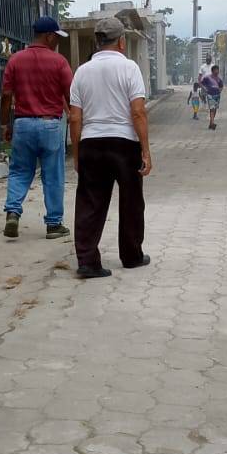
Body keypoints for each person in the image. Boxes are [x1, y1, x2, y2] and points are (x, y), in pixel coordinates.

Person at [68, 16, 152, 279]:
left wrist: (77, 153)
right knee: (131, 202)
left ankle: (87, 262)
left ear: (97, 41)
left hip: (91, 143)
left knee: (90, 203)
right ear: (122, 42)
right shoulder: (130, 68)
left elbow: (75, 117)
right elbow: (138, 112)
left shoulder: (81, 72)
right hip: (124, 144)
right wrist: (146, 151)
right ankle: (132, 256)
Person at [0, 16, 74, 240]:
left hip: (22, 124)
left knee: (20, 171)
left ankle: (13, 212)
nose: (58, 42)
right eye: (57, 37)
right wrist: (76, 119)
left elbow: (6, 96)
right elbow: (71, 95)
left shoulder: (15, 60)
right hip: (50, 124)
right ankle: (54, 224)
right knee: (53, 176)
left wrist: (5, 124)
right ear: (49, 36)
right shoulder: (59, 62)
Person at [200, 65, 223, 131]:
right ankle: (212, 123)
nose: (217, 71)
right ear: (213, 71)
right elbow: (201, 83)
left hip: (217, 95)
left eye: (218, 70)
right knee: (212, 109)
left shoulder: (219, 79)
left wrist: (219, 91)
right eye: (216, 70)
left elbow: (221, 86)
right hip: (210, 95)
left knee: (215, 109)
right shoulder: (207, 78)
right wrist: (205, 89)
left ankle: (211, 123)